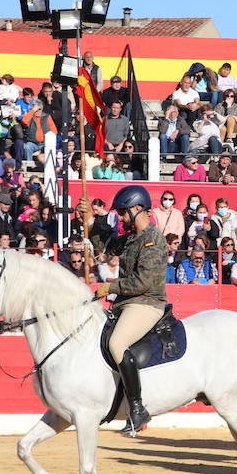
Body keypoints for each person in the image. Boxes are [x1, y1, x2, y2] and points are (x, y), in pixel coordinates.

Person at [92, 185, 169, 437]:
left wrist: (110, 287)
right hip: (125, 302)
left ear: (138, 209)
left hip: (147, 302)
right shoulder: (132, 237)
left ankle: (137, 408)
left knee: (117, 343)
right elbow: (104, 248)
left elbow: (143, 282)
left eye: (124, 213)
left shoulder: (153, 240)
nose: (122, 218)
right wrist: (91, 222)